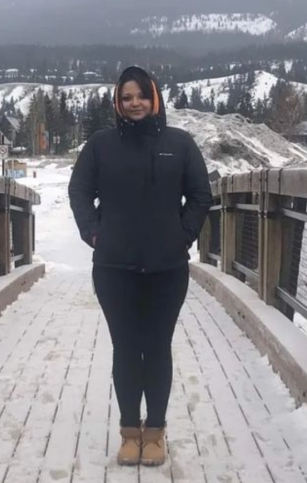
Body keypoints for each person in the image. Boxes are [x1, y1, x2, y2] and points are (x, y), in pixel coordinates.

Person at [68, 65, 212, 467]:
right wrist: (94, 233)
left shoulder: (179, 144)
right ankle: (130, 431)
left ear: (155, 99)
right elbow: (79, 190)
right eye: (126, 97)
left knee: (158, 346)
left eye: (141, 96)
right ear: (118, 102)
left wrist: (183, 235)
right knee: (127, 348)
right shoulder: (100, 145)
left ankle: (158, 432)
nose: (134, 104)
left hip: (167, 268)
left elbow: (201, 195)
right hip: (114, 267)